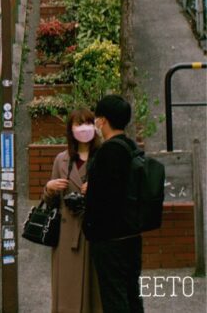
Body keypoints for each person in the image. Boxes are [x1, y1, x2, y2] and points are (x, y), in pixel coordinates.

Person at [83, 95, 144, 312]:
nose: (96, 124)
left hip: (110, 238)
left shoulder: (109, 151)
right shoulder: (131, 147)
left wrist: (89, 190)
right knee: (132, 295)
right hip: (132, 235)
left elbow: (104, 197)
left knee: (114, 299)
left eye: (97, 119)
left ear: (104, 120)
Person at [44, 109, 103, 313]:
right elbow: (51, 204)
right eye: (78, 124)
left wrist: (96, 189)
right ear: (71, 129)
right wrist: (49, 188)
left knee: (94, 291)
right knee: (66, 290)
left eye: (88, 123)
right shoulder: (61, 159)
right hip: (66, 235)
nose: (84, 128)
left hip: (95, 231)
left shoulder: (103, 157)